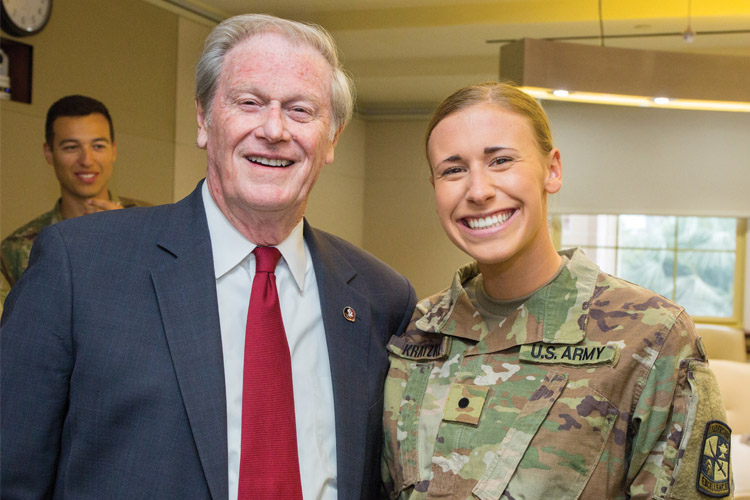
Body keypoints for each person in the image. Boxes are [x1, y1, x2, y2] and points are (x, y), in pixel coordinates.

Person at [1, 14, 415, 500]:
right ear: (203, 119)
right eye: (249, 102)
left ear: (332, 139)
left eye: (301, 110)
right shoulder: (80, 267)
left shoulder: (380, 297)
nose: (275, 129)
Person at [382, 82, 733, 499]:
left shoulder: (651, 339)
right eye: (453, 169)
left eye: (501, 160)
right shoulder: (414, 331)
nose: (478, 190)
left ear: (552, 170)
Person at [0, 94, 148, 305]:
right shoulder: (17, 250)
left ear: (113, 150)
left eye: (98, 146)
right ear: (49, 153)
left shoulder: (151, 223)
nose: (86, 160)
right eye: (71, 147)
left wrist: (128, 240)